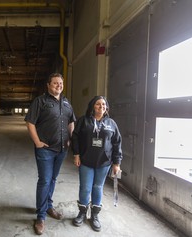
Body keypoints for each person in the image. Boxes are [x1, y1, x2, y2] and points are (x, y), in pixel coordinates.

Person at [25, 73, 76, 235]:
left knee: (53, 179)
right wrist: (37, 142)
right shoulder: (40, 101)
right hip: (45, 150)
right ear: (48, 85)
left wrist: (70, 139)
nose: (58, 85)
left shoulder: (67, 103)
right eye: (55, 83)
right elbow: (30, 122)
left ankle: (48, 207)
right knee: (45, 180)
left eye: (60, 83)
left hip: (61, 150)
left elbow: (71, 122)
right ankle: (40, 217)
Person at [71, 95, 123, 232]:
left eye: (104, 105)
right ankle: (82, 213)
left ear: (106, 108)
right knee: (85, 188)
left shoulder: (111, 123)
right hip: (86, 161)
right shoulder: (84, 121)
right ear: (92, 106)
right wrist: (76, 154)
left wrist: (117, 163)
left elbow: (117, 143)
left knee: (98, 187)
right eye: (98, 104)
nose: (101, 107)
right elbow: (75, 138)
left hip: (104, 162)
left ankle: (94, 216)